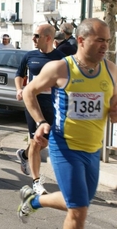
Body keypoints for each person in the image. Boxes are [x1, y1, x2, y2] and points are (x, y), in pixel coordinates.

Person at [17, 18, 117, 228]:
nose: (105, 45)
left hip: (92, 149)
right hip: (65, 146)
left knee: (80, 202)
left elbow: (114, 101)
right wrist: (41, 121)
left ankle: (33, 200)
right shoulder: (60, 68)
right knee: (79, 210)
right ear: (81, 40)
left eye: (107, 40)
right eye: (100, 40)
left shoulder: (111, 69)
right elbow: (29, 91)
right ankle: (34, 200)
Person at [15, 24, 65, 195]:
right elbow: (18, 74)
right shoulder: (30, 56)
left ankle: (24, 155)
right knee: (36, 141)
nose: (33, 39)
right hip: (33, 103)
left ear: (48, 38)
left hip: (53, 104)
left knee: (48, 141)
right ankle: (37, 182)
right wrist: (20, 89)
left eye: (37, 36)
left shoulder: (61, 57)